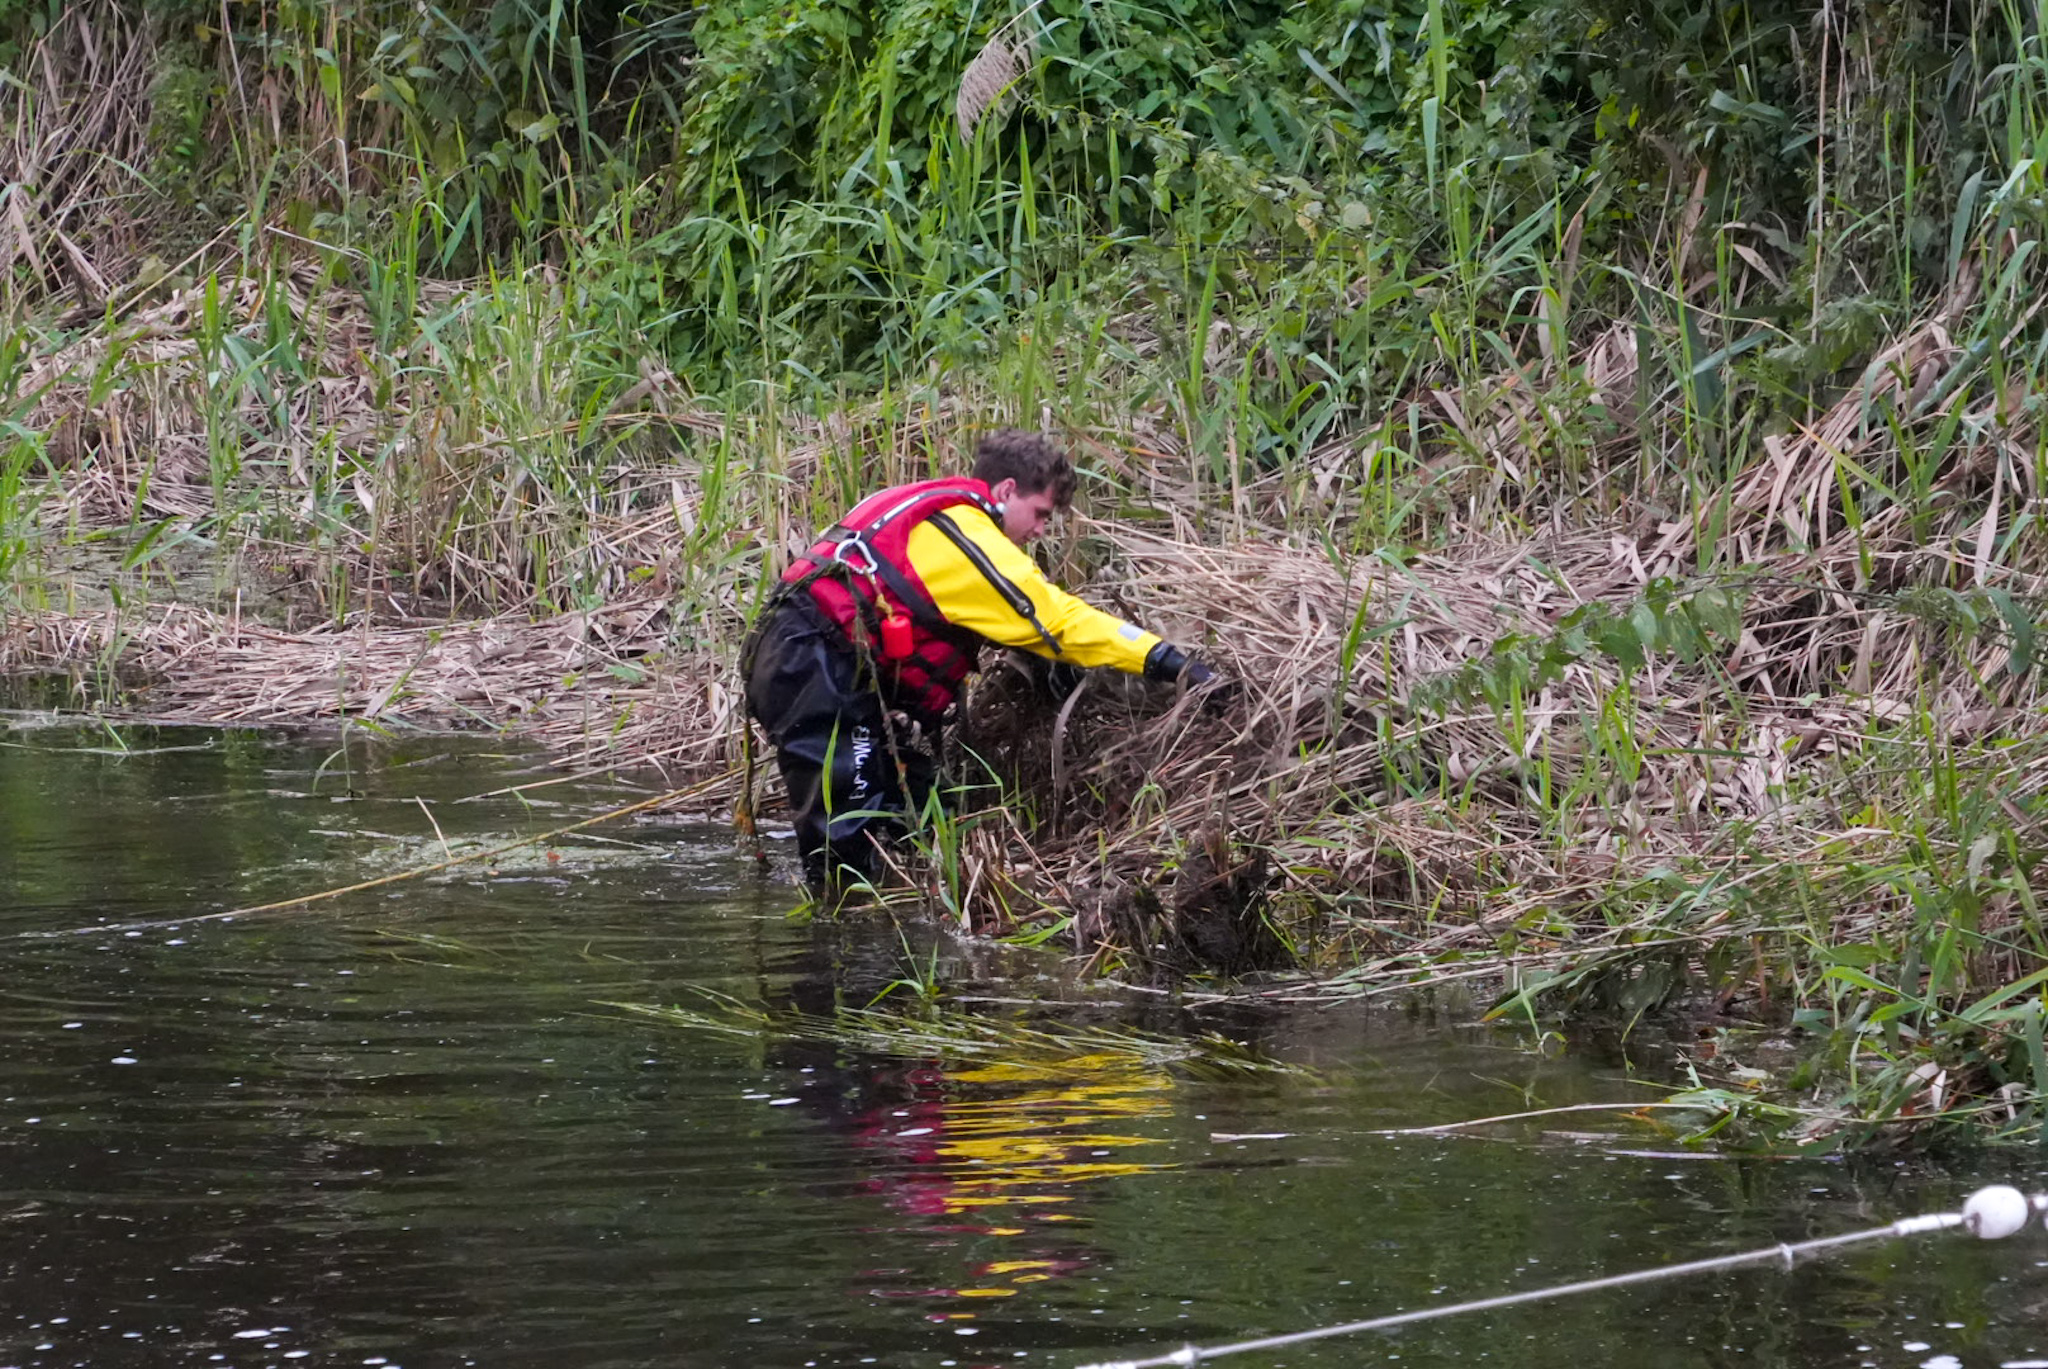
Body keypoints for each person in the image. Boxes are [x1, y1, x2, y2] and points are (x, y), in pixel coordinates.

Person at [742, 429, 1227, 889]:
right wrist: (1170, 662)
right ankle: (841, 945)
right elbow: (1058, 621)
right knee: (846, 834)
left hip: (795, 653)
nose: (1039, 530)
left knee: (912, 805)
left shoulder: (933, 510)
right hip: (812, 664)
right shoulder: (965, 536)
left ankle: (891, 918)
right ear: (1007, 489)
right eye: (1039, 513)